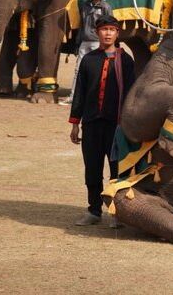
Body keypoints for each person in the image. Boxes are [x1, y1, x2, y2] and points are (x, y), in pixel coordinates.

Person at [69, 14, 136, 227]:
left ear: (117, 33)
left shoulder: (125, 60)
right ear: (97, 32)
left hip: (116, 126)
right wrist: (75, 124)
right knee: (92, 169)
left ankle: (117, 213)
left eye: (111, 30)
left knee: (117, 170)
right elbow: (79, 93)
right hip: (91, 124)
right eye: (104, 29)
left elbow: (132, 92)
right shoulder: (89, 60)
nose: (107, 33)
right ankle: (94, 211)